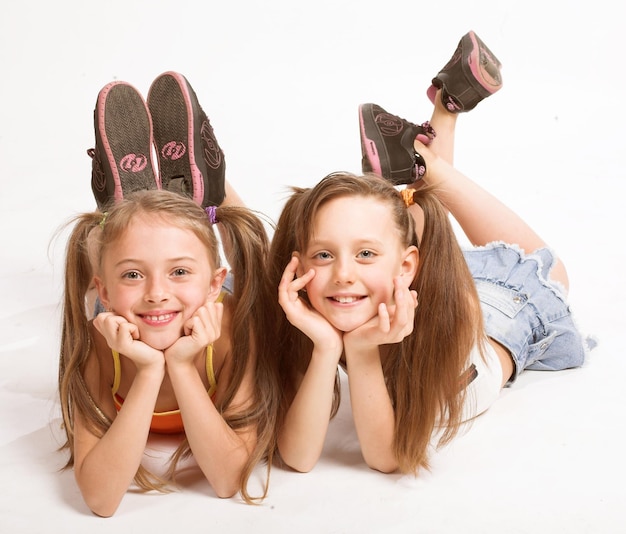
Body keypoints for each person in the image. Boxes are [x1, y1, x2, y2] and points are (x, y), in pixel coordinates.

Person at [270, 31, 590, 475]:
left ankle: (429, 165)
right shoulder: (342, 298)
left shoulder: (446, 326)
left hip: (504, 309)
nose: (342, 274)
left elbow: (386, 458)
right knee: (407, 217)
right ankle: (446, 109)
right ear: (298, 263)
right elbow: (298, 459)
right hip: (405, 279)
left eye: (361, 255)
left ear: (408, 268)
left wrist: (360, 352)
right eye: (323, 256)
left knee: (550, 273)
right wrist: (326, 347)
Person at [58, 72, 278, 516]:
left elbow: (227, 480)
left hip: (200, 305)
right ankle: (136, 207)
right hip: (134, 307)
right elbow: (101, 500)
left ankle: (206, 191)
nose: (157, 294)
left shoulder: (230, 325)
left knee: (267, 284)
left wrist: (180, 364)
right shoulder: (102, 340)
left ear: (217, 283)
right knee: (137, 242)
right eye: (134, 276)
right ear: (101, 291)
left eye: (177, 271)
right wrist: (148, 370)